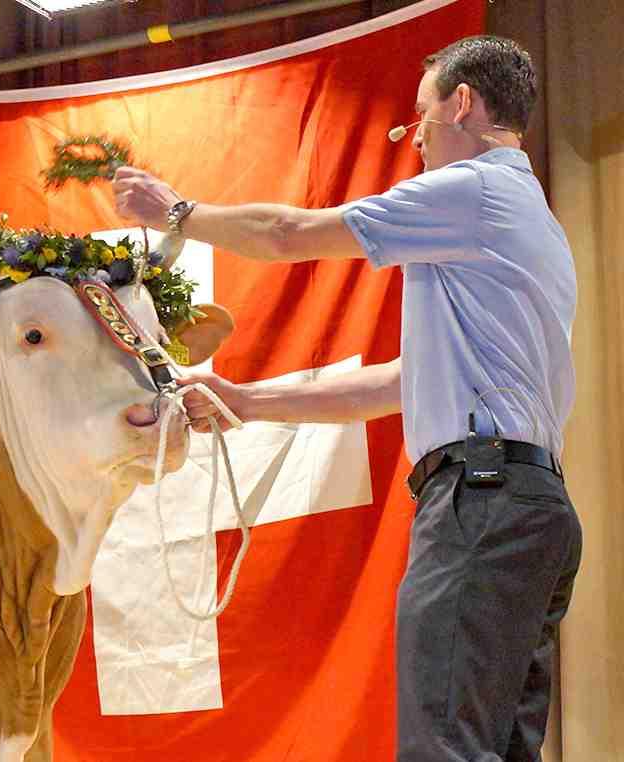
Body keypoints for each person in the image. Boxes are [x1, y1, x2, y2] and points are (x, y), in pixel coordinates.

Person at [113, 35, 582, 762]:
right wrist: (248, 400)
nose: (415, 142)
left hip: (480, 502)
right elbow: (398, 384)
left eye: (416, 121)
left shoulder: (475, 191)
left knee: (443, 750)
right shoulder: (532, 224)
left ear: (462, 104)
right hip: (533, 510)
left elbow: (286, 232)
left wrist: (178, 212)